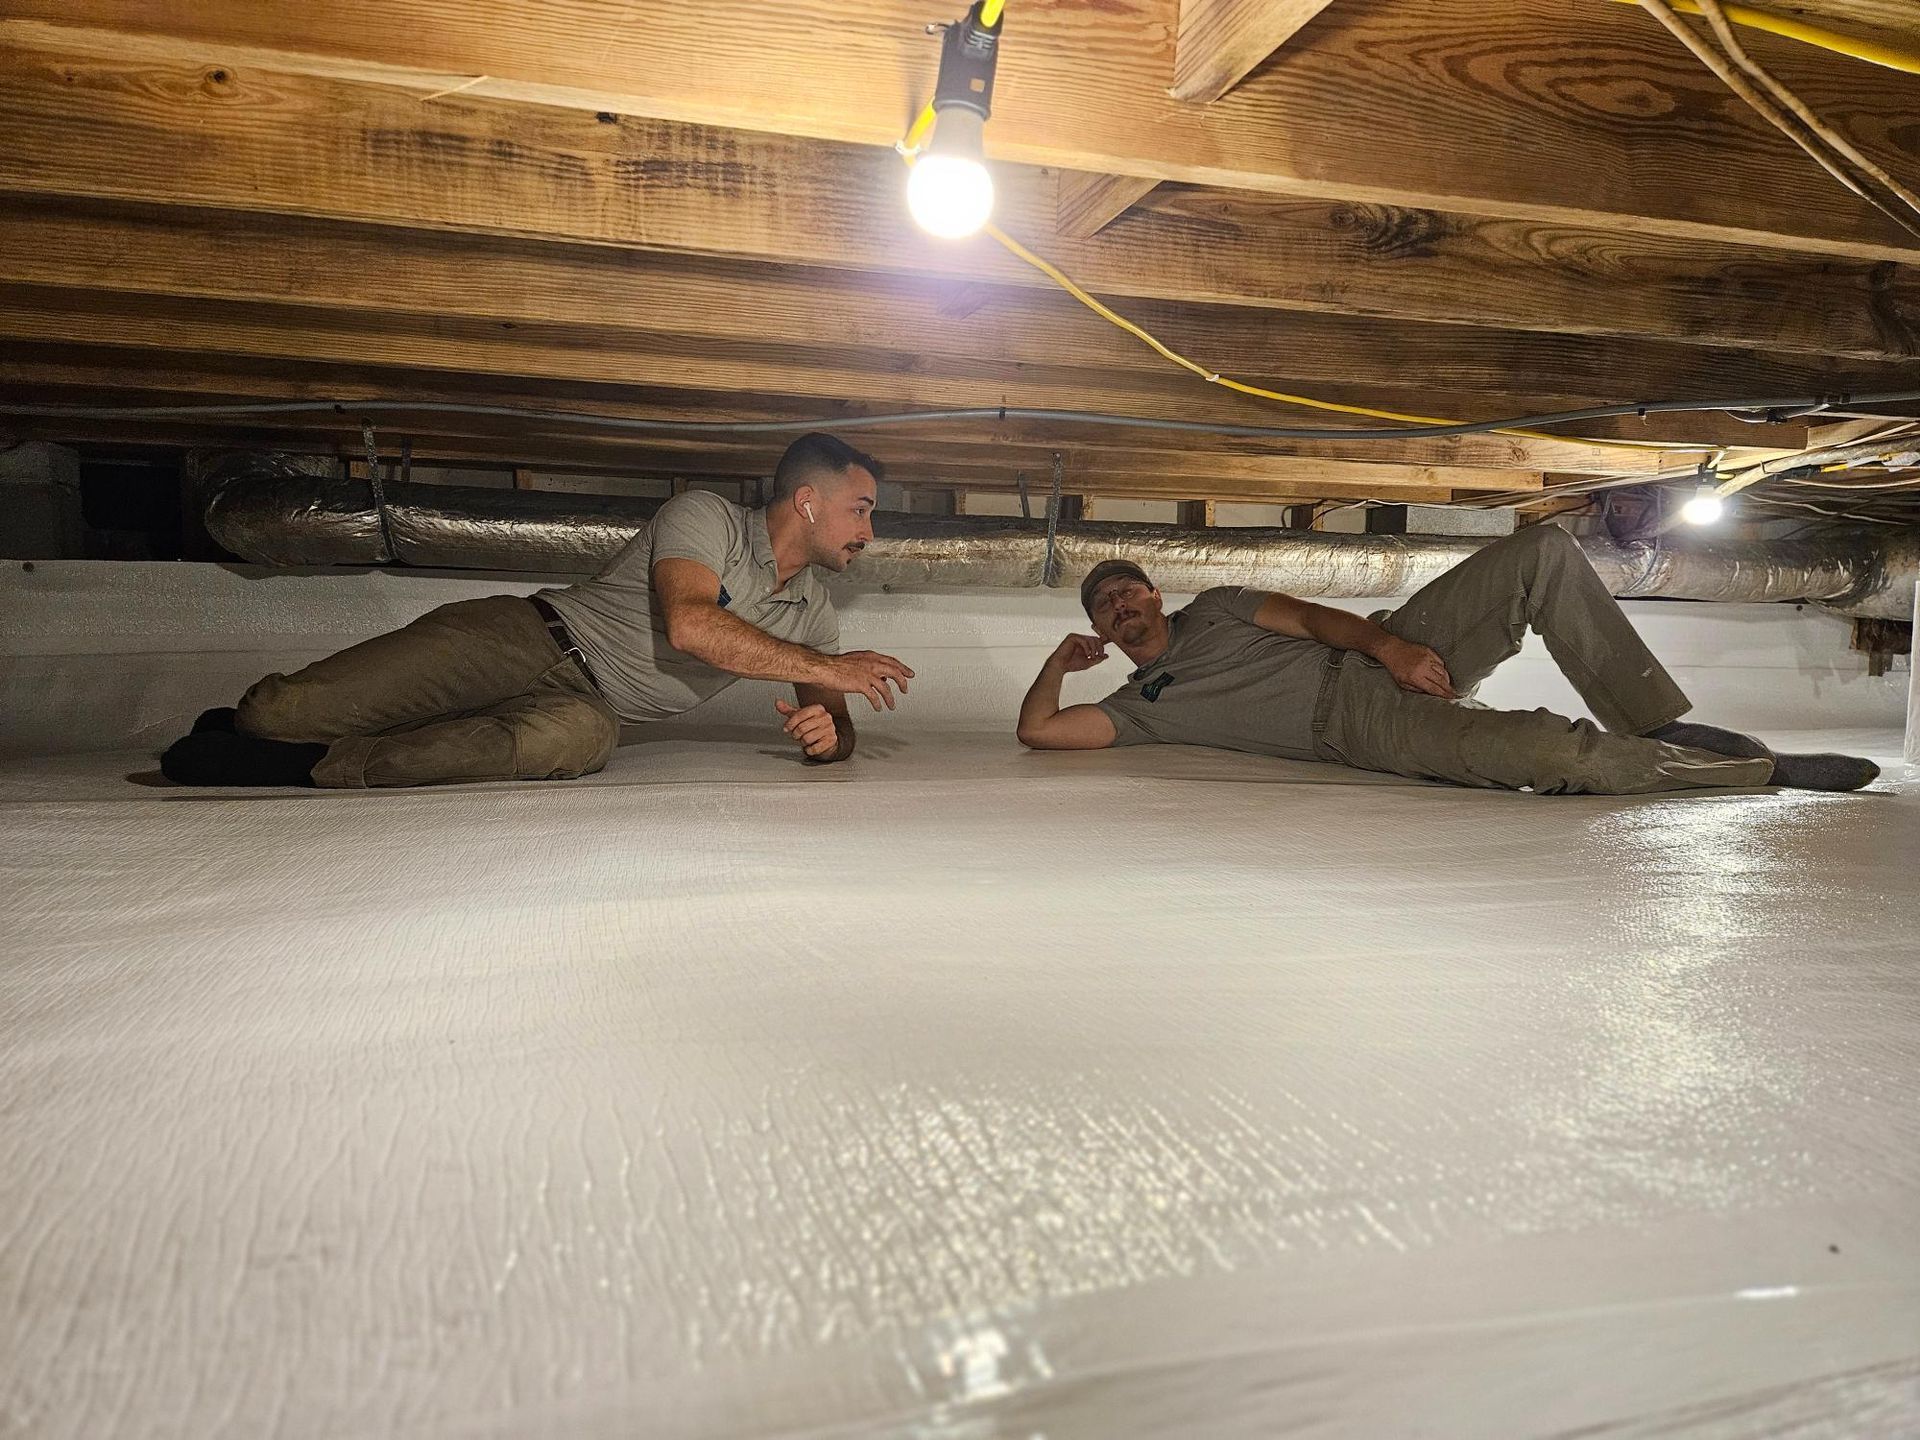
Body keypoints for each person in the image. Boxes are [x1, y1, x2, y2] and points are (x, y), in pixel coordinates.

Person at [160, 433, 914, 787]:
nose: (869, 532)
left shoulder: (813, 613)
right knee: (277, 709)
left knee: (574, 745)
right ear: (808, 502)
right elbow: (691, 623)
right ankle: (262, 731)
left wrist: (829, 737)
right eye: (861, 509)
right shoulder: (708, 518)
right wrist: (826, 669)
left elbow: (835, 713)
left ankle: (312, 768)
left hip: (595, 707)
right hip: (527, 638)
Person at [1016, 523, 1879, 795]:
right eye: (1103, 607)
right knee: (1546, 756)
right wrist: (1059, 662)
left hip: (1380, 646)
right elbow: (1042, 733)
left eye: (1129, 592)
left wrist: (1393, 645)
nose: (1120, 607)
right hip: (1357, 725)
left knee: (1540, 551)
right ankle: (1753, 773)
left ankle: (1660, 720)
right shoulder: (1139, 705)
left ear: (1155, 596)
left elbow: (1317, 621)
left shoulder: (1216, 607)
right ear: (1102, 629)